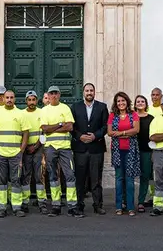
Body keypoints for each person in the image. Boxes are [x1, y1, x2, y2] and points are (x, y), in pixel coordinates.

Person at [0, 90, 30, 217]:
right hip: (0, 153)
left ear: (15, 99)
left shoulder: (21, 114)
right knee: (2, 181)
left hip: (15, 154)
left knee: (15, 180)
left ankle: (17, 207)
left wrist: (21, 150)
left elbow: (26, 133)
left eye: (11, 97)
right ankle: (2, 208)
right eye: (7, 97)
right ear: (2, 98)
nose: (9, 100)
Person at [40, 85, 78, 217]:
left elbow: (70, 126)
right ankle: (56, 204)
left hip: (65, 147)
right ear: (48, 96)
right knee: (53, 176)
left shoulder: (65, 108)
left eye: (56, 93)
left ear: (59, 95)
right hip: (50, 147)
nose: (54, 96)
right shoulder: (44, 110)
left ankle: (72, 205)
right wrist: (60, 124)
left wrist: (53, 128)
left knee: (70, 175)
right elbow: (44, 128)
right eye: (51, 94)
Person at [71, 82, 109, 215]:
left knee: (96, 178)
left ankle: (98, 205)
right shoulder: (75, 107)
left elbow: (105, 127)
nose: (89, 93)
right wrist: (80, 136)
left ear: (94, 92)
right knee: (80, 178)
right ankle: (79, 204)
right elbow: (72, 127)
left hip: (96, 148)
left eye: (91, 91)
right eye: (87, 91)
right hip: (80, 148)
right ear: (83, 92)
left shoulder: (102, 107)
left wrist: (95, 136)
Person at [107, 92, 140, 216]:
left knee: (130, 178)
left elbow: (136, 130)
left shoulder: (133, 114)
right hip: (117, 150)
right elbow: (110, 132)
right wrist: (127, 133)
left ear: (127, 102)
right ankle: (119, 206)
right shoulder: (112, 116)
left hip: (130, 150)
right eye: (118, 101)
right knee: (119, 178)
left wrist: (120, 133)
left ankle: (131, 207)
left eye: (123, 101)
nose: (121, 103)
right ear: (116, 103)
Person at [20, 90, 46, 214]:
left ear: (37, 100)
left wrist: (36, 146)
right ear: (26, 101)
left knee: (39, 175)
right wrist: (25, 147)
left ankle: (42, 202)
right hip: (25, 149)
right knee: (26, 175)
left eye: (33, 100)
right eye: (29, 100)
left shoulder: (42, 112)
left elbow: (44, 132)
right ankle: (25, 202)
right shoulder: (21, 114)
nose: (31, 102)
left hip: (38, 148)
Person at [134, 95, 154, 212]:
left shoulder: (151, 118)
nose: (140, 103)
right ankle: (128, 202)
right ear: (135, 104)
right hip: (132, 150)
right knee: (129, 176)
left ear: (146, 104)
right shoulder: (131, 117)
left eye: (142, 101)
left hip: (146, 151)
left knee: (145, 176)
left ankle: (141, 201)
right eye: (138, 101)